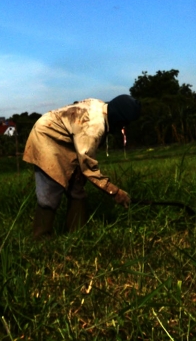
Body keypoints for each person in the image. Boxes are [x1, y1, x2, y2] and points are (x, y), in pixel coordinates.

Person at [23, 94, 140, 238]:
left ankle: (76, 235)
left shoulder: (101, 107)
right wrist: (115, 192)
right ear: (119, 118)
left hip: (65, 140)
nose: (123, 128)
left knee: (77, 189)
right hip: (46, 137)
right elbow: (88, 168)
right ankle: (41, 238)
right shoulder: (94, 127)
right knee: (50, 192)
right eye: (124, 124)